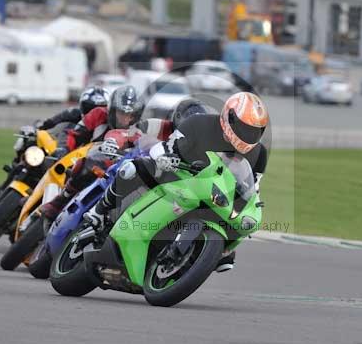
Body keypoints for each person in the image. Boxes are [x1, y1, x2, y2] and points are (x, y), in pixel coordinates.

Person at [83, 91, 269, 273]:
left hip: (212, 192)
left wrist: (249, 209)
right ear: (230, 117)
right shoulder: (199, 123)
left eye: (254, 132)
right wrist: (166, 158)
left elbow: (253, 186)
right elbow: (162, 148)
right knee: (132, 169)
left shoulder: (259, 154)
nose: (248, 135)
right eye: (245, 129)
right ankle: (99, 211)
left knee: (242, 224)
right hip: (176, 173)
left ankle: (215, 250)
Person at [40, 97, 211, 222]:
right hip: (133, 166)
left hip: (163, 191)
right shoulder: (157, 125)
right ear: (178, 119)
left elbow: (213, 172)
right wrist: (114, 141)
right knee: (89, 164)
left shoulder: (200, 148)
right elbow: (128, 133)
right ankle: (61, 201)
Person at [37, 86, 108, 131]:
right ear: (82, 107)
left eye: (101, 109)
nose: (94, 114)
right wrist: (40, 127)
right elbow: (51, 122)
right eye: (90, 108)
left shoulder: (113, 120)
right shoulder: (73, 113)